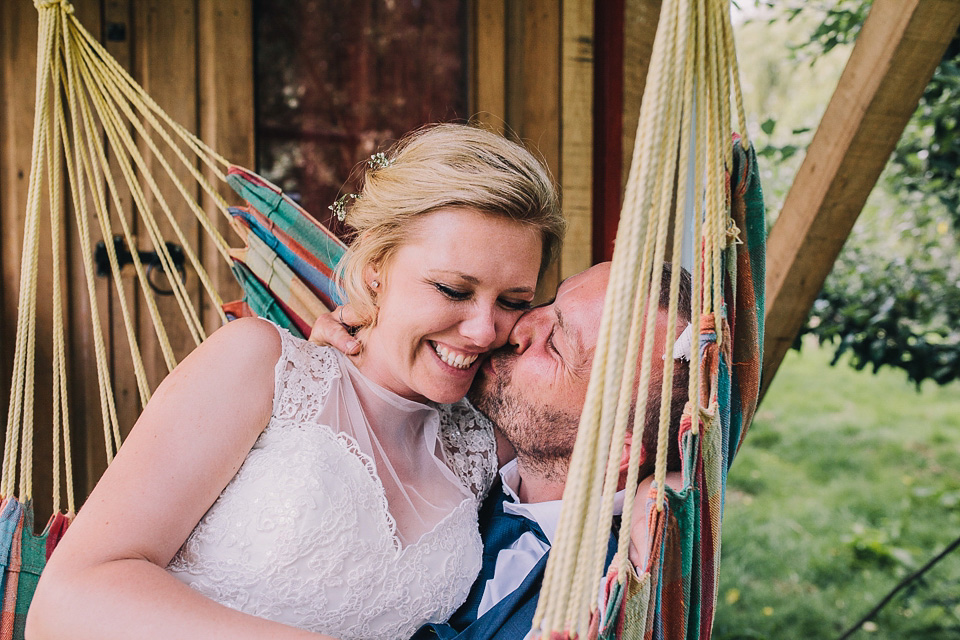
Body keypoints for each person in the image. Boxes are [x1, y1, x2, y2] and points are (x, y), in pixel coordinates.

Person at [26, 123, 566, 640]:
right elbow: (69, 599)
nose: (481, 329)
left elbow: (603, 440)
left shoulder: (485, 442)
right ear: (376, 265)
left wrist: (647, 495)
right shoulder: (262, 368)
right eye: (452, 289)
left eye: (513, 302)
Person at [313, 261, 692, 640]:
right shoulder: (455, 433)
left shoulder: (601, 604)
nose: (516, 329)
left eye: (557, 345)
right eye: (545, 303)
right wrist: (332, 372)